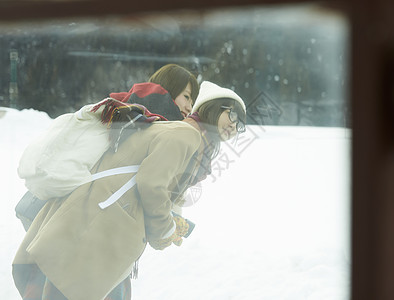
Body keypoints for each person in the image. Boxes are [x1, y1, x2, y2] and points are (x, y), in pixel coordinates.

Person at [12, 80, 246, 300]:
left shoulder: (179, 133)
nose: (235, 126)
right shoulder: (187, 134)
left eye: (241, 124)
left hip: (90, 226)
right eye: (232, 114)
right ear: (212, 108)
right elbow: (152, 184)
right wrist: (164, 230)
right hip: (95, 232)